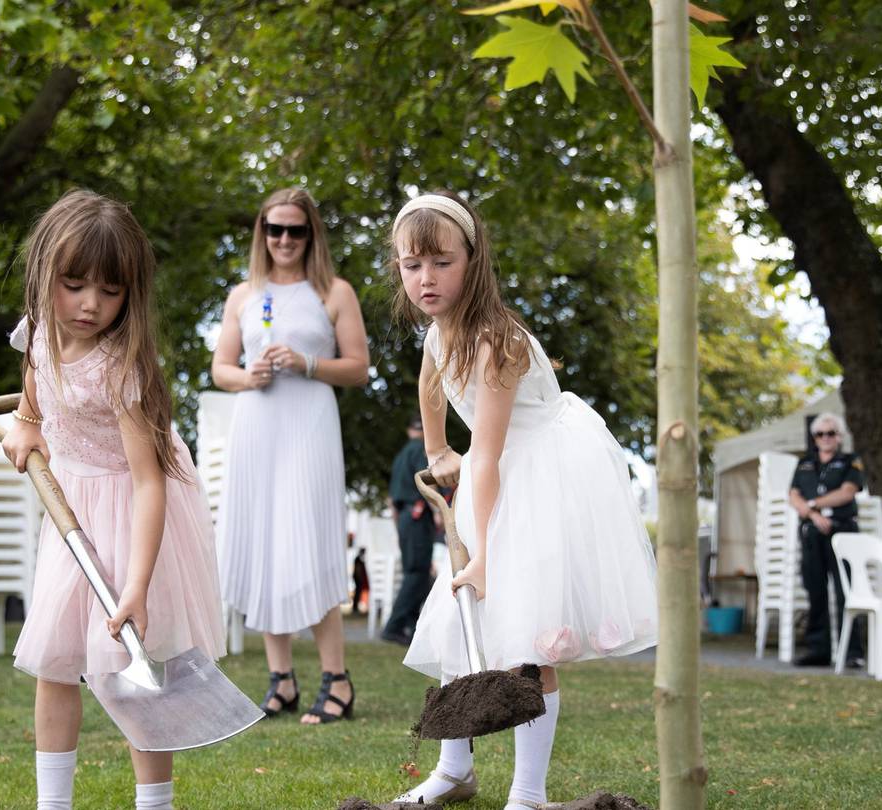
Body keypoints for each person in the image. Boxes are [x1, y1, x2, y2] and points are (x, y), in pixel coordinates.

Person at [389, 192, 658, 809]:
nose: (425, 279)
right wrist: (435, 451)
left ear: (473, 261)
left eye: (440, 262)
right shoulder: (438, 333)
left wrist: (481, 553)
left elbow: (485, 454)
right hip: (503, 475)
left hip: (542, 478)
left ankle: (528, 793)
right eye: (411, 265)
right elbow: (431, 389)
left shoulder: (495, 339)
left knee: (531, 641)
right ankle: (454, 771)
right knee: (464, 625)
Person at [1, 189, 225, 810]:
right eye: (74, 285)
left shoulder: (122, 368)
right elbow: (34, 381)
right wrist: (25, 419)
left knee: (135, 670)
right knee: (54, 661)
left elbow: (151, 481)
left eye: (110, 291)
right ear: (47, 275)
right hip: (70, 515)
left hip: (133, 514)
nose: (90, 305)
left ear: (132, 292)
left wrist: (136, 583)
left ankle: (155, 804)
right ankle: (54, 804)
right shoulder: (43, 332)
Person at [210, 187, 370, 723]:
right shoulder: (243, 296)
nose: (283, 239)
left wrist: (306, 361)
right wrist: (246, 376)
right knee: (263, 543)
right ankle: (281, 681)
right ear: (262, 232)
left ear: (310, 235)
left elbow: (358, 368)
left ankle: (337, 680)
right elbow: (220, 369)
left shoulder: (334, 292)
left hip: (310, 426)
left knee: (312, 540)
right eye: (273, 229)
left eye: (294, 230)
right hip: (257, 426)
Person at [787, 412, 865, 668]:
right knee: (815, 590)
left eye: (831, 433)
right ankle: (819, 649)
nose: (826, 438)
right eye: (820, 434)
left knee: (846, 592)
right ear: (814, 437)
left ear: (839, 436)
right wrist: (812, 514)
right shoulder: (804, 464)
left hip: (842, 531)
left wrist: (814, 504)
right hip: (812, 534)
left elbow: (847, 492)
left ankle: (852, 652)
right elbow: (794, 495)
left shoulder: (850, 461)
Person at [381, 415, 437, 646]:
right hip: (417, 515)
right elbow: (427, 482)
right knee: (418, 572)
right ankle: (395, 626)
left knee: (414, 572)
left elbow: (392, 498)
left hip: (404, 517)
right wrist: (437, 510)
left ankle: (411, 625)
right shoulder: (420, 451)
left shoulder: (400, 456)